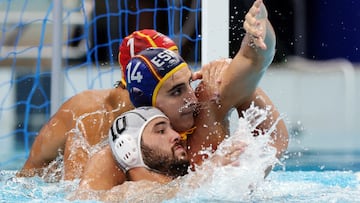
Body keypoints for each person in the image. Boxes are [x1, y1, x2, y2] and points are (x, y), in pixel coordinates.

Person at [18, 0, 288, 182]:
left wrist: (257, 32)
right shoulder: (95, 131)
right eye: (175, 90)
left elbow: (254, 59)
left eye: (185, 80)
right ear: (141, 98)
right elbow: (31, 179)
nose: (190, 97)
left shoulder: (207, 99)